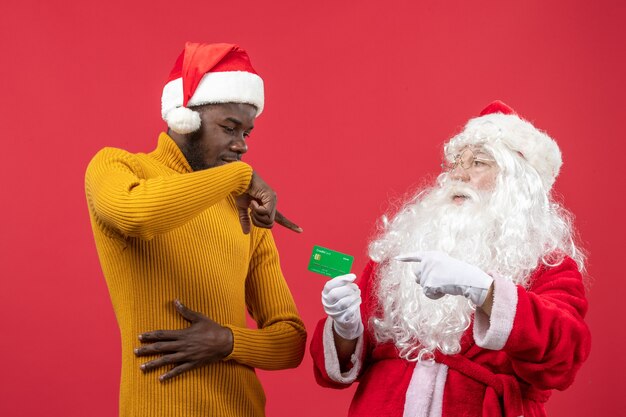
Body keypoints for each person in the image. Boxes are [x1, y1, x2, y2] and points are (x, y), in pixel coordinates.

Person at [310, 101, 590, 417]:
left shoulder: (549, 264)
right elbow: (343, 364)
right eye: (457, 162)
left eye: (478, 163)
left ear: (518, 186)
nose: (458, 173)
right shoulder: (405, 246)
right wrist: (345, 330)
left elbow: (564, 354)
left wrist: (485, 290)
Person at [85, 42, 306, 417]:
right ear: (184, 120)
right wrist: (241, 177)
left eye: (247, 133)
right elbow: (138, 214)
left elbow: (291, 342)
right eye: (229, 128)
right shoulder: (117, 168)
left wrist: (227, 342)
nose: (241, 146)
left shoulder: (243, 211)